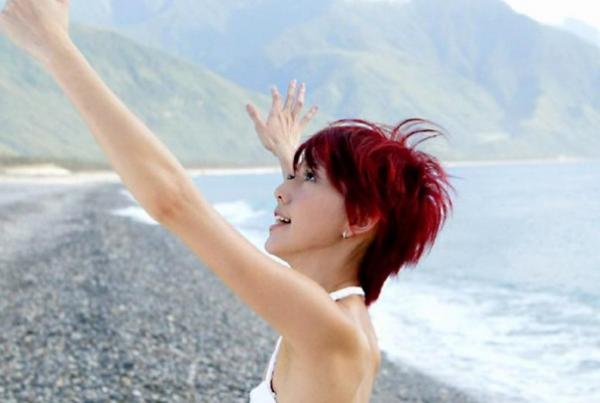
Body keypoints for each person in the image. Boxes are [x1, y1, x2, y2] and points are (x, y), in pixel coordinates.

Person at [0, 1, 455, 401]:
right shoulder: (343, 316)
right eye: (295, 176)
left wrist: (54, 45)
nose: (282, 190)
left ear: (359, 219)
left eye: (310, 177)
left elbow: (174, 203)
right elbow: (326, 234)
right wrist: (290, 157)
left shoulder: (328, 330)